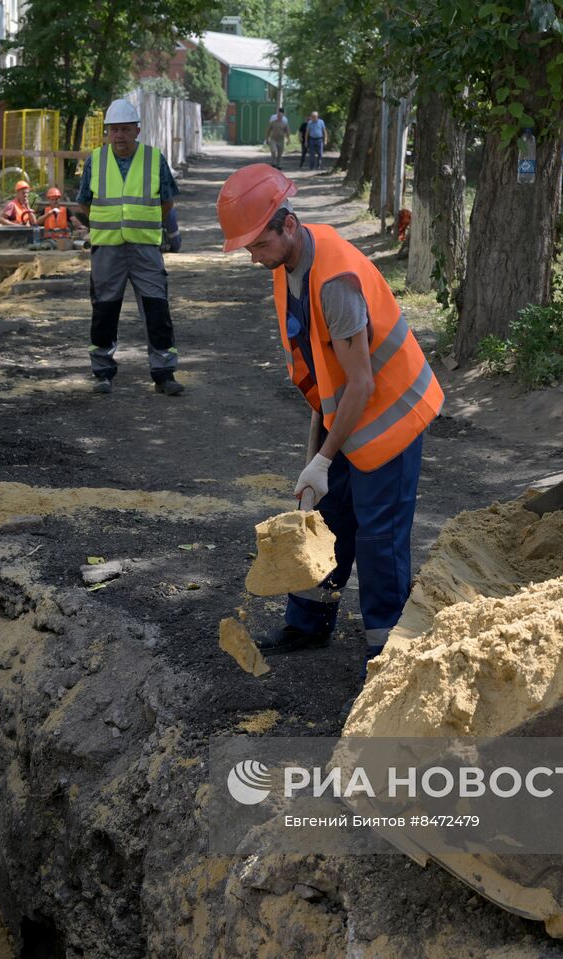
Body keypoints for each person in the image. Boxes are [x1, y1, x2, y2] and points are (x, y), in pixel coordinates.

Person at [216, 164, 444, 663]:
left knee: (379, 536)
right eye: (248, 247)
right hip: (348, 414)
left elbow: (361, 383)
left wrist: (323, 460)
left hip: (391, 416)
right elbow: (323, 370)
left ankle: (386, 656)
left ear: (288, 224)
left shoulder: (336, 283)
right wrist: (317, 454)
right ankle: (308, 624)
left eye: (258, 244)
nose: (254, 257)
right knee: (325, 519)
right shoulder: (289, 264)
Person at [71, 97, 185, 396]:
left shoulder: (154, 158)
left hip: (145, 248)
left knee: (156, 308)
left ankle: (164, 374)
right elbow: (83, 203)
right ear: (107, 132)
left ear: (137, 130)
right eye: (114, 130)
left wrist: (144, 223)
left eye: (125, 129)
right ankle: (102, 372)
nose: (119, 135)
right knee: (104, 311)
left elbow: (167, 202)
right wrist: (107, 224)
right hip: (107, 249)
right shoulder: (95, 160)